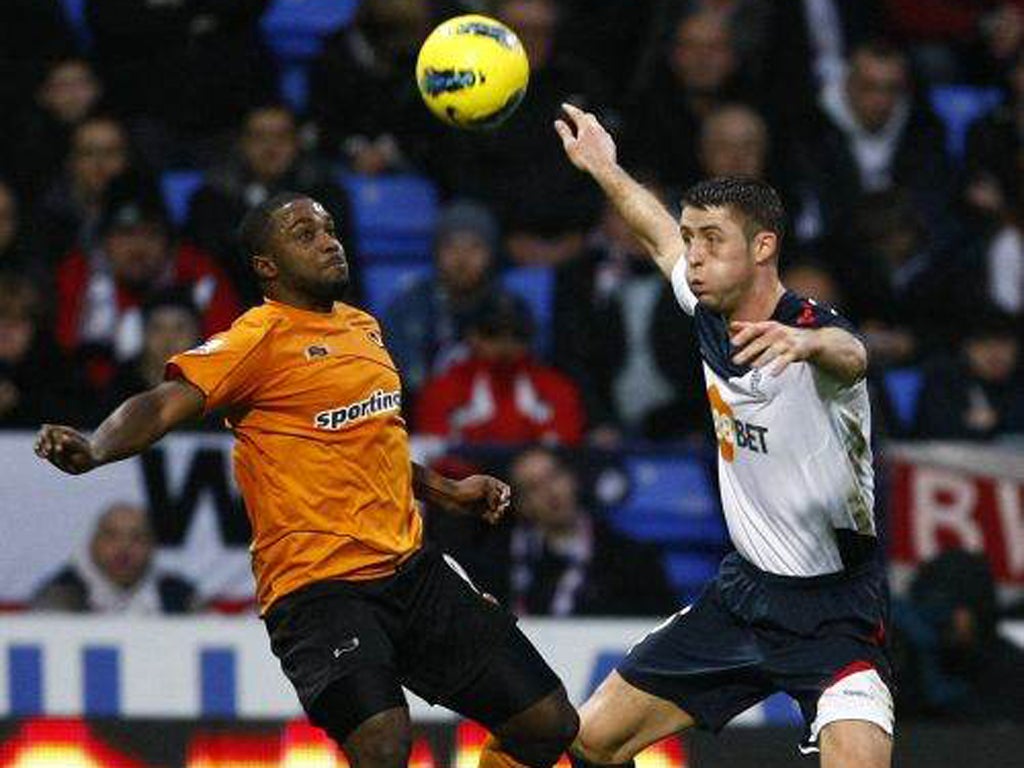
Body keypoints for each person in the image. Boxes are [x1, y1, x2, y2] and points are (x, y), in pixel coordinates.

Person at [35, 192, 578, 768]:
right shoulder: (256, 340)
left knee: (549, 724)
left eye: (330, 230)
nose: (328, 242)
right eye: (304, 234)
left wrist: (449, 491)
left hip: (411, 570)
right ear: (267, 266)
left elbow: (371, 444)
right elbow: (164, 404)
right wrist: (96, 445)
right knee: (383, 744)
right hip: (317, 590)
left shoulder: (363, 327)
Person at [556, 104, 892, 767]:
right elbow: (656, 238)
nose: (696, 257)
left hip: (836, 615)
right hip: (741, 599)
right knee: (591, 741)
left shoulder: (816, 340)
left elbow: (851, 355)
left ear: (763, 247)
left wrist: (805, 343)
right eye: (694, 238)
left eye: (712, 240)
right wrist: (604, 166)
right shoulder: (710, 311)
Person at [55, 172, 240, 392]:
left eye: (150, 234)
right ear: (103, 241)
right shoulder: (79, 274)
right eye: (126, 233)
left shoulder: (199, 274)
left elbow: (230, 363)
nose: (138, 248)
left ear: (168, 240)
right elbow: (61, 355)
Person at [186, 103, 354, 305]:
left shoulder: (325, 194)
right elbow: (205, 267)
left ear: (297, 142)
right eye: (259, 137)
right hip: (232, 310)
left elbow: (339, 268)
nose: (270, 147)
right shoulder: (213, 197)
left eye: (281, 137)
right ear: (242, 142)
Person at [504, 447, 677, 617]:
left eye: (554, 476)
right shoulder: (506, 562)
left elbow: (664, 627)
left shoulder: (629, 557)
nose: (551, 492)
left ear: (572, 479)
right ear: (522, 505)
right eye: (534, 487)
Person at [415, 293, 587, 446]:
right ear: (471, 336)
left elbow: (566, 448)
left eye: (517, 334)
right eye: (492, 333)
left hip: (534, 478)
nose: (505, 344)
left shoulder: (556, 387)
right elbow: (435, 450)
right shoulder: (443, 388)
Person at [383, 200, 504, 394]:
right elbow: (399, 378)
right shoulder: (410, 305)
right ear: (436, 252)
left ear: (491, 254)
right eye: (451, 247)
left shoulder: (506, 307)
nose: (462, 259)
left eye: (474, 248)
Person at [892, 548, 1024, 723]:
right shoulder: (910, 663)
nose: (941, 619)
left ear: (977, 612)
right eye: (932, 607)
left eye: (949, 607)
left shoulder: (1009, 672)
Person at [33, 502, 198, 614]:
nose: (124, 548)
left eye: (137, 538)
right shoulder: (60, 595)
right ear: (92, 544)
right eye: (111, 536)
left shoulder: (180, 598)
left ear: (152, 547)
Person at [913, 310, 1024, 440]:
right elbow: (936, 426)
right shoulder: (944, 377)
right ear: (968, 349)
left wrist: (996, 420)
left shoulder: (1017, 379)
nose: (996, 355)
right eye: (986, 345)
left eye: (1004, 345)